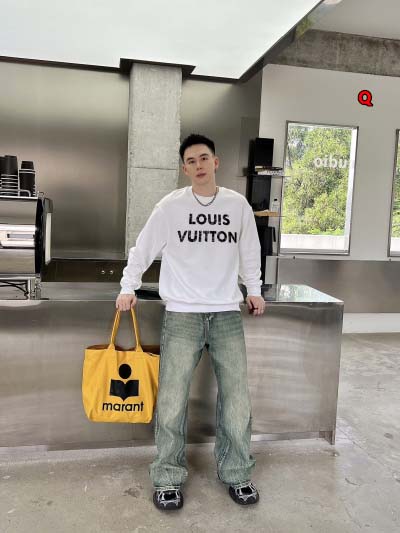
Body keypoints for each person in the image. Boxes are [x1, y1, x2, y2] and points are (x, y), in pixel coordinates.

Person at [116, 133, 266, 511]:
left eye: (203, 158)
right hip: (182, 314)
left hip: (226, 313)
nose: (198, 165)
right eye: (191, 161)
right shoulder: (170, 206)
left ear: (215, 162)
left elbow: (250, 250)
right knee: (171, 400)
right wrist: (128, 286)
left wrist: (254, 289)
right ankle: (167, 476)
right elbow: (143, 248)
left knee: (237, 399)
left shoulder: (237, 205)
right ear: (185, 169)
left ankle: (237, 472)